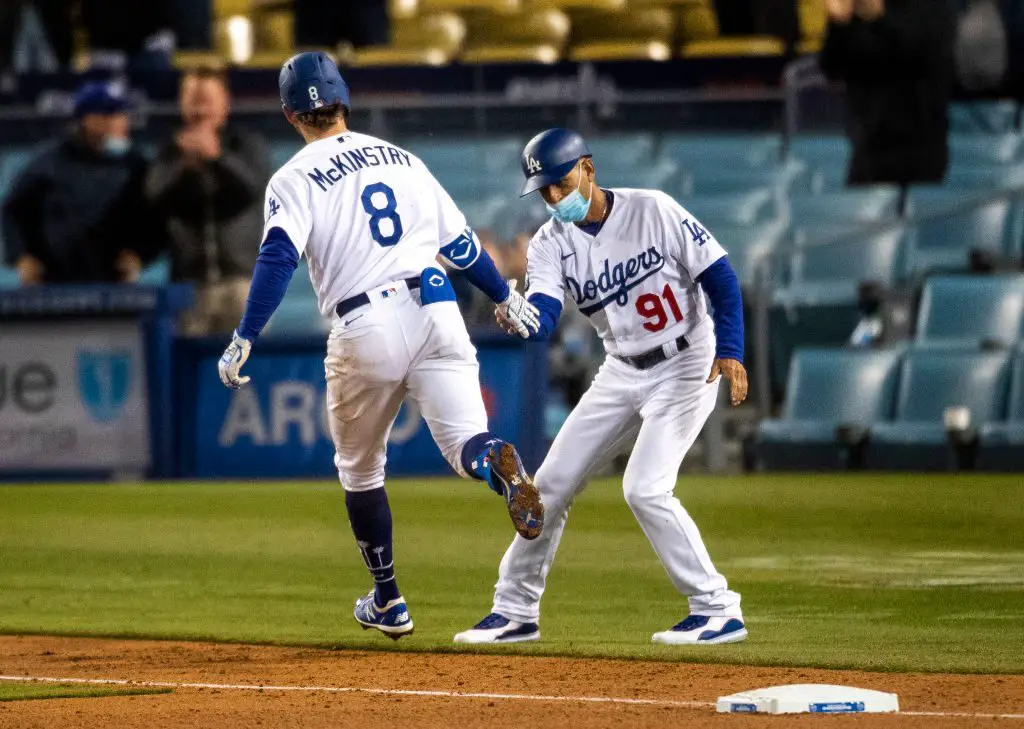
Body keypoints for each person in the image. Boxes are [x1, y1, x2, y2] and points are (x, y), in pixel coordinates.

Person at [215, 52, 545, 639]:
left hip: (364, 320)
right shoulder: (405, 160)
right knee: (464, 442)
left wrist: (246, 334)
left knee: (360, 470)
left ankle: (389, 599)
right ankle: (494, 459)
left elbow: (277, 257)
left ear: (290, 113)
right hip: (438, 304)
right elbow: (463, 245)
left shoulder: (293, 176)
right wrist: (501, 296)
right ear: (345, 98)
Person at [454, 128, 749, 647]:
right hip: (621, 369)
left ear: (588, 168)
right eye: (544, 191)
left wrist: (731, 349)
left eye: (560, 183)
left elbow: (720, 277)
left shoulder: (652, 209)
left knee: (644, 487)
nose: (554, 198)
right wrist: (524, 317)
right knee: (548, 486)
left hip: (687, 361)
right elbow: (544, 316)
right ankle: (515, 611)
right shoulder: (551, 242)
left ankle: (717, 608)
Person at [146, 65, 271, 336]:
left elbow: (251, 189)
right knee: (190, 371)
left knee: (250, 370)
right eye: (194, 102)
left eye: (208, 102)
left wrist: (217, 158)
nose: (201, 111)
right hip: (190, 285)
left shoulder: (246, 145)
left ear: (224, 103)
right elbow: (155, 197)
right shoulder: (170, 150)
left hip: (242, 282)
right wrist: (184, 166)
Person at [1, 80, 149, 285]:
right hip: (54, 286)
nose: (121, 122)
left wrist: (140, 255)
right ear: (87, 120)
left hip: (115, 288)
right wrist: (21, 257)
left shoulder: (135, 165)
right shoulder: (49, 162)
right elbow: (13, 210)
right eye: (111, 115)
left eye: (122, 114)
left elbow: (153, 217)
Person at [820, 0, 956, 187]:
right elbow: (832, 67)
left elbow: (917, 53)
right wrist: (838, 23)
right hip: (867, 145)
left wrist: (878, 17)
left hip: (919, 145)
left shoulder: (929, 7)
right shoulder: (860, 11)